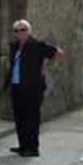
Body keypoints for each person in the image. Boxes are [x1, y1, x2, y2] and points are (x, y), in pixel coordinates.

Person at [8, 19, 65, 157]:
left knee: (31, 118)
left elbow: (58, 53)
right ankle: (23, 145)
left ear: (29, 31)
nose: (20, 33)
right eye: (17, 30)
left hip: (32, 88)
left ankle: (33, 148)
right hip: (17, 86)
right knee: (19, 117)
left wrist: (41, 70)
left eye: (23, 30)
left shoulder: (36, 45)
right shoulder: (15, 46)